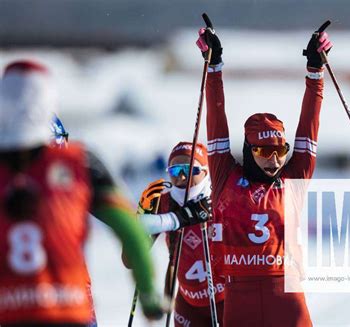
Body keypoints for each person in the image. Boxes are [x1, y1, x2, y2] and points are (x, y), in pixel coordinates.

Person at [0, 60, 165, 326]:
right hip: (71, 306)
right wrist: (147, 293)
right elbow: (131, 231)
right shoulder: (79, 162)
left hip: (11, 309)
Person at [196, 24, 332, 326]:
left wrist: (315, 72)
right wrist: (214, 66)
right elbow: (216, 121)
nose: (273, 161)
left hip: (286, 295)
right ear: (247, 150)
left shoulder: (293, 180)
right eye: (262, 152)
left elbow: (309, 125)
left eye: (279, 152)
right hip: (239, 298)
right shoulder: (224, 177)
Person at [129, 142, 225, 327]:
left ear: (206, 171)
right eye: (175, 170)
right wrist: (143, 213)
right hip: (188, 305)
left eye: (191, 170)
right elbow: (130, 259)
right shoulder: (164, 203)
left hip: (226, 301)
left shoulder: (222, 198)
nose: (181, 176)